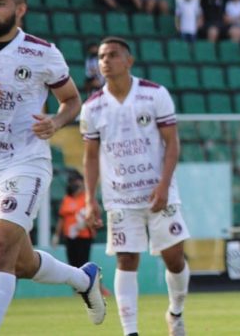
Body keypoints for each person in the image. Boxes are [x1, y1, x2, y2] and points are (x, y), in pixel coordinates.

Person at [0, 0, 105, 334]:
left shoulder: (42, 52)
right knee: (21, 263)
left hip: (24, 161)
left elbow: (71, 100)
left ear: (20, 10)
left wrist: (55, 122)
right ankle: (83, 279)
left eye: (0, 3)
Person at [81, 37, 190, 336]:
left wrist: (165, 185)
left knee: (174, 259)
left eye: (113, 55)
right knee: (126, 259)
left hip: (159, 192)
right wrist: (90, 199)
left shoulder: (154, 95)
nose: (105, 60)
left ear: (128, 61)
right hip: (120, 197)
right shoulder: (92, 108)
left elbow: (172, 143)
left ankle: (175, 313)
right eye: (102, 56)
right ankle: (130, 332)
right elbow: (90, 157)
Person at [53, 170, 95, 268]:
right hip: (70, 237)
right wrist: (56, 235)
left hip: (84, 236)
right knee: (72, 265)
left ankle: (85, 282)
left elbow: (94, 215)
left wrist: (85, 224)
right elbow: (62, 218)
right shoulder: (67, 199)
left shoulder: (87, 198)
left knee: (83, 264)